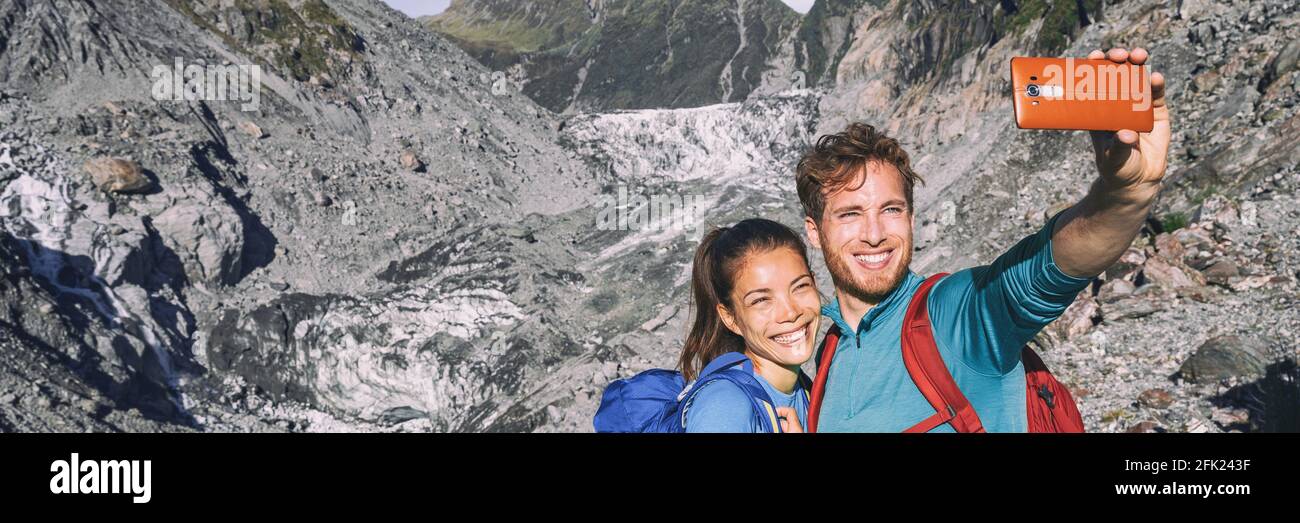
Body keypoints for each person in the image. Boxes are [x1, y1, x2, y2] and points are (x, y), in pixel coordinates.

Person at [797, 48, 1171, 432]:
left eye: (890, 210)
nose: (874, 235)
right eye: (850, 214)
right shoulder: (827, 355)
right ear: (814, 231)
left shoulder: (952, 318)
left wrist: (1126, 194)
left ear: (910, 218)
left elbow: (1043, 273)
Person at [678, 218, 821, 433]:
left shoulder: (804, 389)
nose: (791, 312)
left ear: (814, 283)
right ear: (730, 318)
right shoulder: (724, 405)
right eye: (761, 300)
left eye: (800, 286)